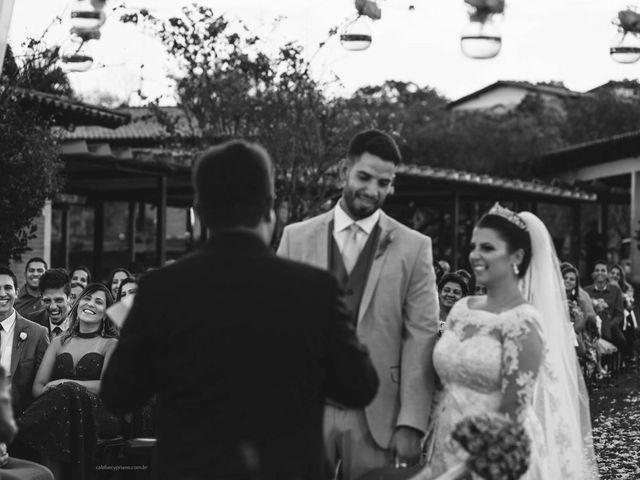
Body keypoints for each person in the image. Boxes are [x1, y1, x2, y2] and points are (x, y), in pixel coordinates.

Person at [101, 140, 379, 480]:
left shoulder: (162, 289)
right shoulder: (315, 289)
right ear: (269, 208)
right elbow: (359, 386)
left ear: (200, 212)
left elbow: (118, 394)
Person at [277, 129, 438, 480]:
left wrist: (411, 421)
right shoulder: (295, 238)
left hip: (380, 414)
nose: (373, 190)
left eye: (384, 182)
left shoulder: (414, 247)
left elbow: (421, 337)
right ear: (342, 171)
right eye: (364, 177)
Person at [411, 203, 598, 480]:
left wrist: (464, 470)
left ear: (517, 256)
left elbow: (513, 412)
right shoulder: (462, 309)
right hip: (443, 439)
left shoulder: (523, 322)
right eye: (474, 246)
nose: (475, 255)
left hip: (496, 457)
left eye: (488, 248)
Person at [16, 283, 120, 480]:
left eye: (99, 302)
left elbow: (107, 386)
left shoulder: (111, 344)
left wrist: (64, 383)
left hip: (98, 412)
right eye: (87, 299)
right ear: (78, 304)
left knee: (68, 391)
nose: (90, 304)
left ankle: (16, 431)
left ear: (106, 313)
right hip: (60, 411)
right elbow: (38, 387)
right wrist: (62, 389)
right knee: (60, 410)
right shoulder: (59, 341)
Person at [0, 267, 49, 417]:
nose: (2, 294)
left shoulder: (38, 334)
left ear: (16, 291)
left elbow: (44, 389)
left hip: (17, 423)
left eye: (7, 287)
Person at [584, 261, 627, 358]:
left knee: (622, 341)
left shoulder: (615, 290)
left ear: (607, 274)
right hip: (590, 327)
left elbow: (619, 314)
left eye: (603, 270)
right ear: (593, 274)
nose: (600, 273)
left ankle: (623, 361)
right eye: (597, 270)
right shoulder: (586, 291)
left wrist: (608, 326)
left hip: (610, 326)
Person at [25, 269, 72, 340]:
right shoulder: (31, 323)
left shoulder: (82, 323)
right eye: (47, 301)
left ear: (70, 298)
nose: (53, 307)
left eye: (58, 300)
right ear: (41, 300)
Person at [609, 263, 637, 363]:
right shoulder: (603, 286)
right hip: (610, 316)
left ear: (621, 277)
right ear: (608, 274)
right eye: (612, 273)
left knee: (626, 318)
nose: (615, 276)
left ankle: (628, 351)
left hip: (622, 317)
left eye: (618, 274)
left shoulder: (626, 288)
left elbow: (630, 304)